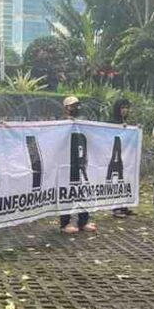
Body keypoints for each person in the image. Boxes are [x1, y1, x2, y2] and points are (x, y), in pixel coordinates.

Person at [59, 95, 97, 234]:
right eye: (72, 106)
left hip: (81, 162)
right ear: (66, 107)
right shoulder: (60, 123)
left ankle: (83, 221)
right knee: (67, 194)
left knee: (83, 193)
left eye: (76, 105)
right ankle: (65, 223)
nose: (75, 108)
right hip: (66, 164)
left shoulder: (83, 123)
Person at [110, 98, 136, 218]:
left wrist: (135, 130)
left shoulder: (125, 121)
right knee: (116, 182)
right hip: (114, 157)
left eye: (127, 108)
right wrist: (119, 127)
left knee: (124, 181)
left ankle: (124, 206)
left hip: (124, 157)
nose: (125, 110)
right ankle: (116, 208)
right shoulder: (112, 121)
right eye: (122, 108)